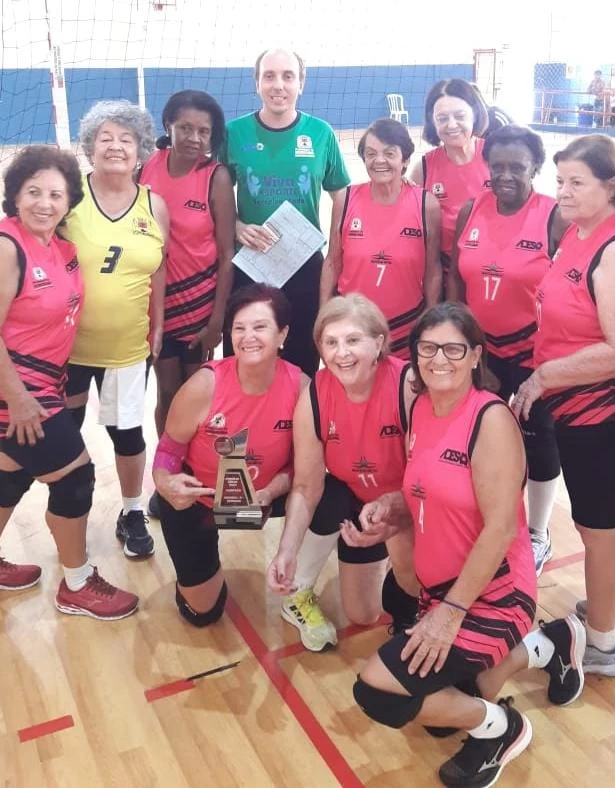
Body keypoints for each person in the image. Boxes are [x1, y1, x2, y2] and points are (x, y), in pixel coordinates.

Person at [346, 303, 586, 787]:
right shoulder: (420, 408)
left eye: (454, 348)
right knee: (440, 713)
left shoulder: (491, 420)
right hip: (441, 588)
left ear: (476, 355)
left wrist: (449, 613)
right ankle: (549, 645)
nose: (439, 360)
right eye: (427, 348)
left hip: (493, 591)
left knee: (381, 691)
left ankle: (502, 729)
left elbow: (499, 530)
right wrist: (389, 508)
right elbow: (427, 488)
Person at [0, 145, 138, 620]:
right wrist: (17, 400)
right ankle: (77, 584)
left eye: (56, 194)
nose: (44, 202)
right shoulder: (2, 246)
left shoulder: (61, 249)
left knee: (12, 472)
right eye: (33, 191)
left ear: (68, 201)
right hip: (4, 385)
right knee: (75, 477)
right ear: (14, 196)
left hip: (43, 382)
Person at [513, 134, 615, 677]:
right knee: (612, 517)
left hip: (607, 415)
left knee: (598, 529)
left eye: (577, 182)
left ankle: (602, 645)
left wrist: (544, 375)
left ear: (612, 185)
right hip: (579, 405)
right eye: (560, 181)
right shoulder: (579, 233)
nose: (563, 192)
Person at [266, 294, 421, 651]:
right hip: (359, 505)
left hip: (410, 503)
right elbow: (305, 486)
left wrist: (396, 518)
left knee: (412, 581)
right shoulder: (315, 394)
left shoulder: (408, 386)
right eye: (331, 342)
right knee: (363, 614)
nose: (342, 353)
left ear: (379, 342)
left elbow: (430, 476)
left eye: (353, 340)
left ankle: (413, 613)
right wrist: (286, 551)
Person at [448, 125, 567, 575]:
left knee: (539, 442)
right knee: (486, 440)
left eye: (516, 167)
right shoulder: (471, 210)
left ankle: (537, 532)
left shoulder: (553, 216)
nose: (505, 175)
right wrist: (467, 345)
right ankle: (495, 520)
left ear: (535, 167)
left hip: (534, 354)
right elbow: (458, 278)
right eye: (497, 166)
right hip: (482, 353)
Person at [153, 284, 304, 626]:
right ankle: (197, 576)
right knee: (203, 614)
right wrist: (165, 482)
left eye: (260, 327)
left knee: (329, 501)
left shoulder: (301, 388)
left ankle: (302, 587)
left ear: (283, 334)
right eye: (239, 328)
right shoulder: (204, 386)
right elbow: (167, 451)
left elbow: (305, 471)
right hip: (202, 501)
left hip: (265, 496)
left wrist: (270, 492)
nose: (248, 336)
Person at [61, 99, 168, 560]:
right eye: (105, 137)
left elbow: (158, 270)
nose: (116, 146)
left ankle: (131, 510)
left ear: (141, 150)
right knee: (64, 432)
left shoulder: (154, 205)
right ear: (89, 146)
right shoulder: (67, 199)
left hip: (126, 347)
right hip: (65, 348)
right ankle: (67, 506)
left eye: (126, 139)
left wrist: (159, 323)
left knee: (127, 433)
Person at [223, 48, 351, 377]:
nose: (278, 85)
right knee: (246, 358)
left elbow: (343, 195)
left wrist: (336, 249)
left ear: (301, 84)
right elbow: (215, 196)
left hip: (304, 263)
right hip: (252, 261)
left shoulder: (321, 133)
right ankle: (245, 426)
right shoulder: (234, 133)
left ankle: (298, 427)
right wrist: (237, 226)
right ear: (257, 84)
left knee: (301, 361)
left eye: (288, 76)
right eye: (269, 76)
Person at [140, 90, 236, 517]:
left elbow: (227, 252)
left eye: (203, 131)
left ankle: (199, 476)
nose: (194, 137)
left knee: (196, 398)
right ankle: (168, 478)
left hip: (200, 305)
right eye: (185, 128)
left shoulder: (215, 177)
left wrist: (218, 318)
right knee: (166, 392)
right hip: (157, 303)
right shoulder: (147, 168)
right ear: (168, 128)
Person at [320, 118, 442, 358]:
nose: (379, 160)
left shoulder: (426, 204)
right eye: (371, 153)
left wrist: (431, 324)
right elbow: (333, 262)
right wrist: (324, 316)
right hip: (353, 326)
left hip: (406, 327)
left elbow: (433, 270)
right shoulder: (345, 200)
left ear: (405, 160)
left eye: (389, 153)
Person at [409, 78, 512, 286]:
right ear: (433, 122)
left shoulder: (497, 158)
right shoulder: (424, 168)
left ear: (475, 114)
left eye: (460, 115)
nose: (452, 125)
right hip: (445, 276)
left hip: (495, 273)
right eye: (442, 118)